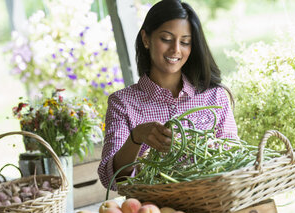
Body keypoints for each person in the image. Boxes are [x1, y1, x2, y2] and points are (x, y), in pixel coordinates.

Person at [98, 0, 238, 190]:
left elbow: (235, 161)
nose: (175, 50)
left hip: (210, 203)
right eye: (166, 39)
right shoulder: (122, 103)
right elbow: (112, 179)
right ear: (146, 39)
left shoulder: (214, 96)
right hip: (155, 212)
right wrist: (137, 137)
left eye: (185, 42)